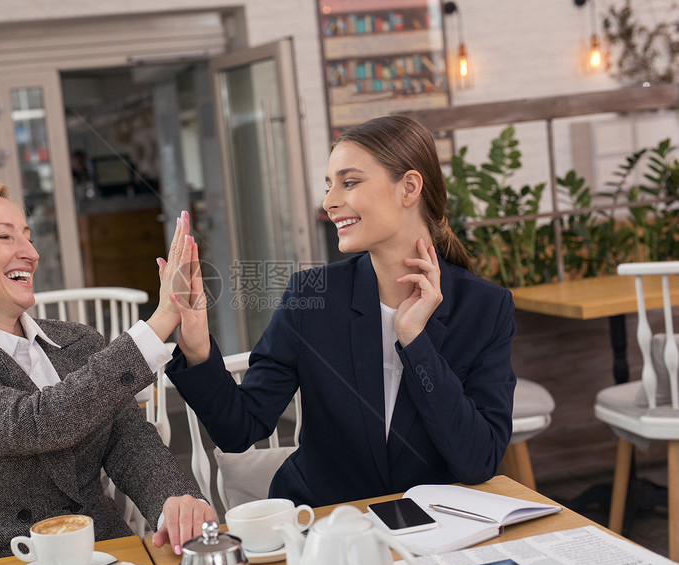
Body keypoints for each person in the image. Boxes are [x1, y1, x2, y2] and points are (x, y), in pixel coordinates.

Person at [166, 115, 517, 507]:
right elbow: (240, 429)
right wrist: (197, 347)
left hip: (434, 528)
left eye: (349, 183)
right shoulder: (312, 296)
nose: (329, 202)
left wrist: (416, 343)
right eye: (330, 185)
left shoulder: (485, 308)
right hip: (324, 526)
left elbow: (478, 461)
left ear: (410, 187)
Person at [0, 184, 213, 559]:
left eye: (27, 236)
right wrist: (161, 321)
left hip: (101, 556)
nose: (31, 253)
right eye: (5, 237)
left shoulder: (78, 343)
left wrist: (174, 501)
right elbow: (34, 423)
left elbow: (129, 442)